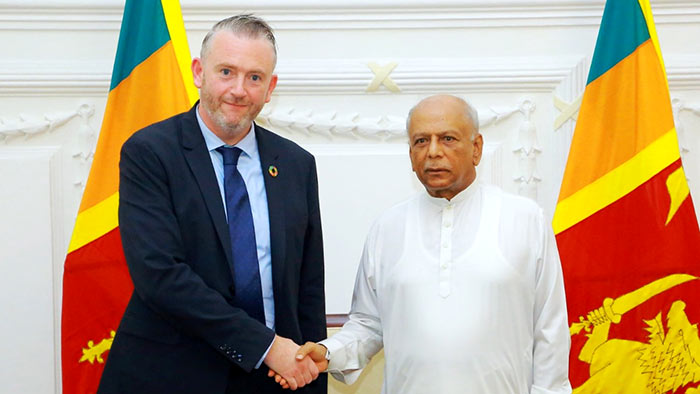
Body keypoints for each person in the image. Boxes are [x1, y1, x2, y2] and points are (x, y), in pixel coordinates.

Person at [274, 94, 572, 393]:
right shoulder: (387, 228)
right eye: (420, 141)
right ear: (410, 153)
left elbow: (551, 331)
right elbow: (367, 324)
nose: (433, 152)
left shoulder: (525, 219)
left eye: (448, 138)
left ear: (477, 148)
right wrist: (328, 353)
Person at [98, 15, 327, 394]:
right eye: (226, 72)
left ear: (270, 88)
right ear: (199, 72)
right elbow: (161, 276)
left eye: (254, 77)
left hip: (274, 379)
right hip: (171, 376)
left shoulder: (295, 164)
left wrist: (306, 371)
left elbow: (307, 286)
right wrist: (266, 347)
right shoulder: (150, 153)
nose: (239, 89)